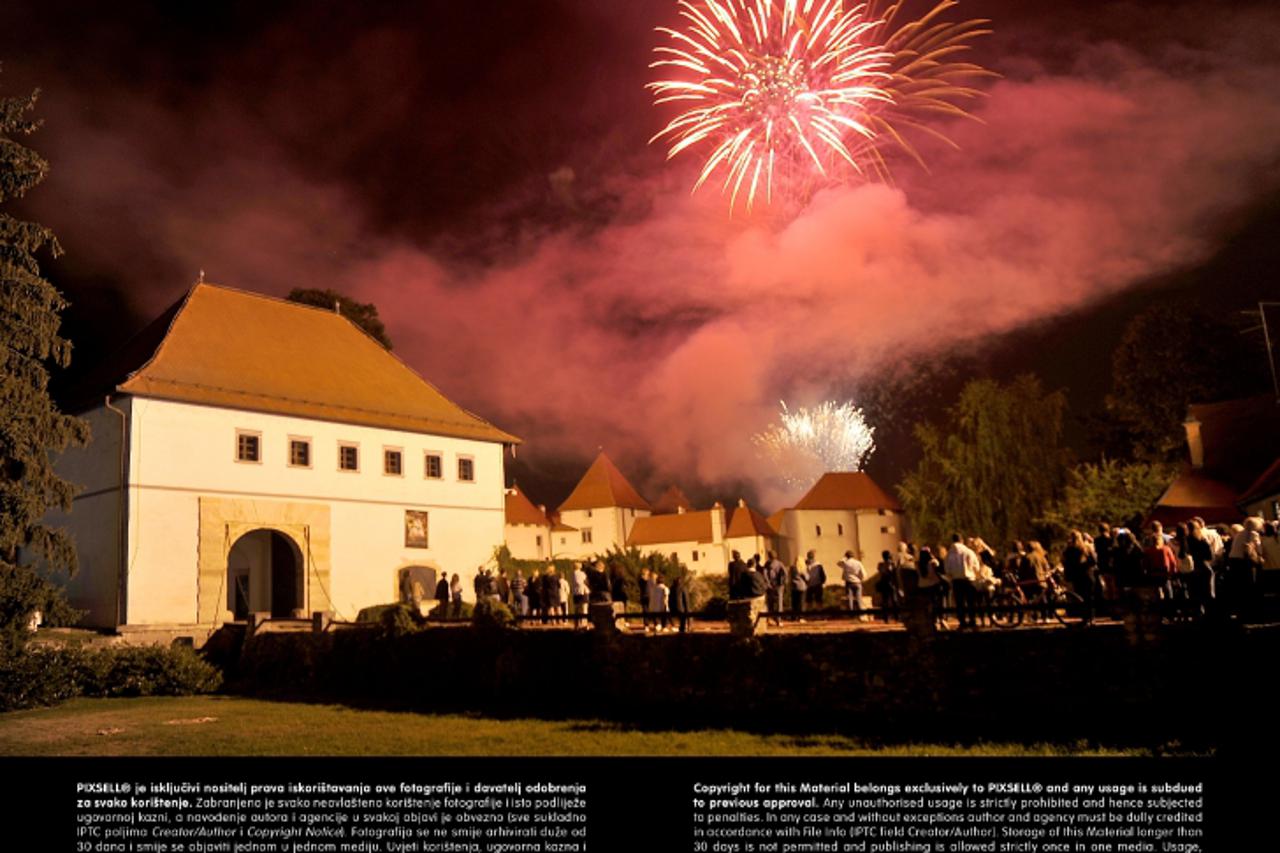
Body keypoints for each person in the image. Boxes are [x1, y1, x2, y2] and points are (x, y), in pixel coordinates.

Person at [1061, 530, 1097, 624]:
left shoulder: (1068, 550)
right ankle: (1092, 618)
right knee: (1090, 597)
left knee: (1080, 598)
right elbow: (1094, 560)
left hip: (1076, 576)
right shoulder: (1087, 547)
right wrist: (1085, 565)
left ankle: (1085, 618)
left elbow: (1064, 562)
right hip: (1087, 574)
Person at [944, 533, 980, 628]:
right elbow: (976, 567)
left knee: (960, 603)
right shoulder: (969, 552)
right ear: (962, 540)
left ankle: (962, 622)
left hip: (957, 581)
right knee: (971, 602)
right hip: (969, 580)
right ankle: (972, 621)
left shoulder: (949, 555)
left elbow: (947, 570)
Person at [839, 550, 866, 617]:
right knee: (859, 598)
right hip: (857, 582)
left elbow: (839, 563)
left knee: (850, 599)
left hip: (849, 582)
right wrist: (861, 579)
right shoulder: (858, 563)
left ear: (847, 556)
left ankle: (851, 614)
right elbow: (863, 573)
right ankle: (861, 614)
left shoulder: (845, 563)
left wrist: (844, 558)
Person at [764, 551, 787, 626]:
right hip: (779, 585)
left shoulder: (767, 564)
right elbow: (785, 573)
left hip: (770, 585)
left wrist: (768, 583)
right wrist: (783, 582)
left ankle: (770, 618)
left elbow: (765, 574)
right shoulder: (780, 563)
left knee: (770, 602)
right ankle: (778, 619)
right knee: (779, 602)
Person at [669, 564, 692, 633]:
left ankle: (681, 627)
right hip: (681, 608)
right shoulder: (683, 588)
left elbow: (670, 599)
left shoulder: (672, 588)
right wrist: (687, 609)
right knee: (686, 615)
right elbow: (686, 600)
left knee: (682, 618)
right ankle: (686, 627)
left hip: (673, 608)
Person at [571, 562, 590, 627]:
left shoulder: (573, 574)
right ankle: (584, 623)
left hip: (575, 593)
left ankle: (576, 623)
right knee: (584, 608)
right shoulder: (582, 573)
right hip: (583, 592)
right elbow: (585, 581)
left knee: (577, 608)